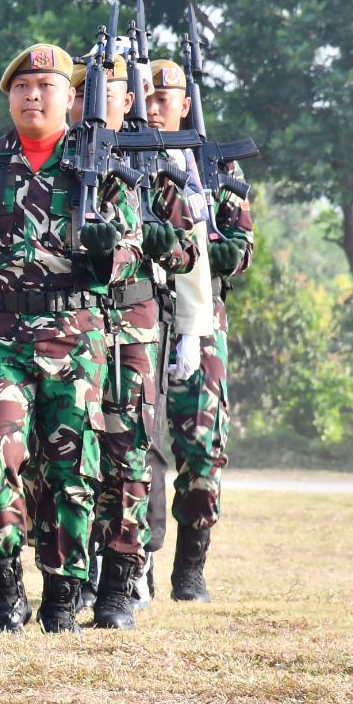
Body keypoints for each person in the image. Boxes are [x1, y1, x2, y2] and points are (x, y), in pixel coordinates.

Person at [0, 43, 142, 632]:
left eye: (45, 87)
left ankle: (61, 595)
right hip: (1, 337)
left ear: (69, 98)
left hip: (76, 339)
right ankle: (6, 591)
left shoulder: (98, 169)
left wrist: (110, 252)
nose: (32, 96)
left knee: (72, 473)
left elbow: (131, 257)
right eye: (22, 87)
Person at [67, 54, 205, 628]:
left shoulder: (156, 168)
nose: (93, 102)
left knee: (129, 452)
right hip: (69, 326)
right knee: (69, 450)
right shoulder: (58, 162)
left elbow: (187, 251)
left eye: (108, 92)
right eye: (82, 93)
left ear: (129, 101)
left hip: (132, 324)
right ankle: (73, 572)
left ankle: (124, 574)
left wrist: (192, 331)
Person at [147, 58, 254, 602]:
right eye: (143, 97)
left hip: (202, 323)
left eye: (163, 100)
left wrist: (197, 250)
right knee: (136, 446)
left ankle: (191, 566)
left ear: (185, 106)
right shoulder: (126, 164)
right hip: (141, 312)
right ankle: (134, 559)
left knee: (202, 446)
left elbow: (238, 253)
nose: (151, 108)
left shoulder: (216, 175)